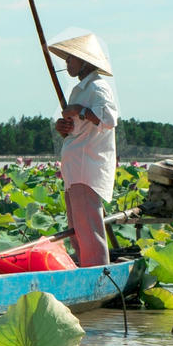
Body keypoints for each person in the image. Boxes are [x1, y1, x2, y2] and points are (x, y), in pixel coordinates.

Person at [49, 33, 118, 266]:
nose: (67, 63)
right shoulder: (79, 90)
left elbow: (107, 119)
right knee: (77, 228)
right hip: (74, 167)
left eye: (70, 58)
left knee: (89, 227)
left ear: (84, 61)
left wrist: (78, 111)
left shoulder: (98, 88)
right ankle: (84, 269)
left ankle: (99, 273)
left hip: (87, 167)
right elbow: (77, 129)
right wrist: (64, 127)